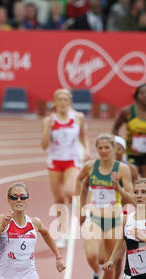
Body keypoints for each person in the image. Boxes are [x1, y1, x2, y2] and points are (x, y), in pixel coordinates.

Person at [76, 133, 134, 279]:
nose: (103, 151)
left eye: (106, 147)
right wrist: (80, 208)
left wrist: (118, 188)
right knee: (92, 255)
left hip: (115, 220)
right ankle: (95, 272)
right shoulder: (90, 167)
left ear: (114, 149)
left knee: (110, 265)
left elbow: (132, 198)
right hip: (94, 217)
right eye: (99, 148)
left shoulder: (123, 169)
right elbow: (80, 182)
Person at [41, 88, 90, 247]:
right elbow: (44, 146)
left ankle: (82, 209)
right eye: (59, 100)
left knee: (69, 191)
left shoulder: (78, 117)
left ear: (69, 102)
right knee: (59, 199)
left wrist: (87, 150)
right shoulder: (49, 120)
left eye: (65, 100)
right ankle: (63, 232)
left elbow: (83, 136)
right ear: (55, 102)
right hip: (55, 161)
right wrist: (48, 128)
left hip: (72, 160)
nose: (62, 103)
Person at [112, 83, 146, 181]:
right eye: (142, 93)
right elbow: (115, 129)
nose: (145, 95)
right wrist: (119, 144)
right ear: (136, 96)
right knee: (132, 185)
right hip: (131, 154)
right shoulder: (127, 111)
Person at [106, 135, 137, 279]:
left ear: (122, 150)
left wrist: (119, 200)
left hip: (121, 213)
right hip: (101, 214)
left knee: (118, 257)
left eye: (117, 147)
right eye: (111, 146)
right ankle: (97, 273)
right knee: (99, 253)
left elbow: (134, 196)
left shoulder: (129, 169)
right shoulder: (98, 167)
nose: (112, 150)